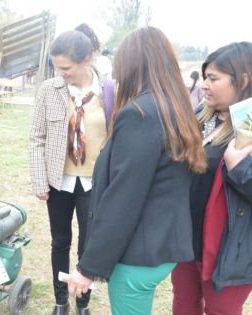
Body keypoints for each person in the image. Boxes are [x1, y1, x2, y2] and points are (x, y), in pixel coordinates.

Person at [64, 26, 206, 315]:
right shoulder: (174, 109)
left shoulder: (139, 114)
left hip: (139, 254)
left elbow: (123, 199)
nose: (116, 76)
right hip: (163, 242)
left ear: (132, 67)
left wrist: (87, 268)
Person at [28, 24, 115, 315]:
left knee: (87, 245)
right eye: (56, 67)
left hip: (95, 182)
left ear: (86, 60)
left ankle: (83, 303)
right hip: (59, 181)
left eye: (66, 68)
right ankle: (61, 301)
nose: (60, 73)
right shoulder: (49, 90)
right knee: (60, 241)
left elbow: (117, 137)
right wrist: (40, 180)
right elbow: (36, 137)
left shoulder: (109, 90)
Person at [171, 42, 252, 315]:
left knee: (221, 311)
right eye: (204, 77)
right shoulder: (202, 117)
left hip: (229, 247)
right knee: (184, 303)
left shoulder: (248, 126)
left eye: (213, 78)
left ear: (243, 80)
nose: (204, 85)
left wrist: (240, 168)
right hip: (187, 237)